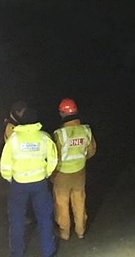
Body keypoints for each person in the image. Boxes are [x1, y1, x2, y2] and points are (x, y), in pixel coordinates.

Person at [0, 107, 58, 257]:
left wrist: (10, 178)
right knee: (44, 217)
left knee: (17, 219)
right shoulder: (44, 138)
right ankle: (48, 251)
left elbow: (5, 164)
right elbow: (53, 160)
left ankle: (17, 252)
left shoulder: (13, 139)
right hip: (40, 183)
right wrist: (45, 173)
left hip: (19, 184)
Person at [51, 97, 96, 241]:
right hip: (79, 173)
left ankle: (65, 233)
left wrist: (51, 173)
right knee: (79, 200)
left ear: (62, 114)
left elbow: (53, 156)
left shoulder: (59, 134)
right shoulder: (86, 130)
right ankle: (80, 230)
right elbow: (91, 150)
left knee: (61, 203)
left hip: (62, 175)